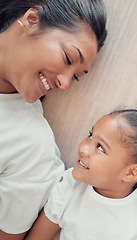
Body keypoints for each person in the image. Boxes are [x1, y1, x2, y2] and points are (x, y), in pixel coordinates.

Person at [0, 0, 107, 239]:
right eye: (69, 59)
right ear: (31, 20)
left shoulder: (30, 144)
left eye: (76, 77)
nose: (65, 83)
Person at [25, 104, 137, 240]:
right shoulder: (70, 188)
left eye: (100, 147)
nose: (83, 148)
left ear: (132, 172)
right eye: (90, 136)